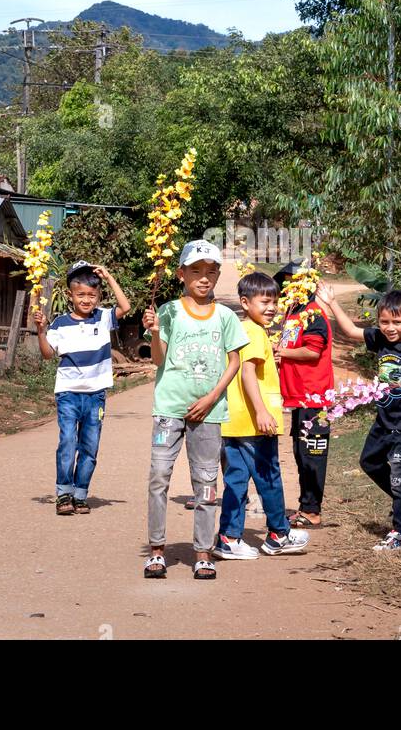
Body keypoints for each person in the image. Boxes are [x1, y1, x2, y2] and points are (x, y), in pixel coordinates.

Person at [141, 240, 246, 580]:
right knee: (159, 477)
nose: (204, 278)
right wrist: (156, 332)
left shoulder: (226, 316)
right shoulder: (169, 312)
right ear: (181, 273)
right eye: (196, 271)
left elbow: (235, 360)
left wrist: (212, 396)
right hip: (168, 410)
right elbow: (158, 359)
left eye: (211, 272)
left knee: (206, 482)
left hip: (209, 412)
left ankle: (203, 552)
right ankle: (157, 550)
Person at [317, 284, 401, 550]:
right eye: (384, 321)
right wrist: (331, 302)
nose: (390, 327)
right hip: (383, 420)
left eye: (397, 322)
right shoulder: (381, 339)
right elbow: (351, 331)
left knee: (399, 479)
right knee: (369, 462)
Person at [214, 271, 310, 560]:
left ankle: (229, 538)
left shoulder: (243, 329)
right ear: (245, 302)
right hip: (255, 423)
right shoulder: (254, 332)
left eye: (275, 302)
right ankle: (279, 534)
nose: (272, 308)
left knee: (236, 480)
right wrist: (262, 411)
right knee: (268, 476)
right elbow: (247, 373)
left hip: (235, 422)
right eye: (264, 302)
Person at [34, 262, 130, 515]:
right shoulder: (59, 324)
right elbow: (47, 355)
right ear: (70, 295)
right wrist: (41, 331)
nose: (86, 300)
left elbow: (125, 306)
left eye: (92, 295)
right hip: (68, 393)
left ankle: (80, 494)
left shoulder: (103, 317)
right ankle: (63, 493)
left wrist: (108, 276)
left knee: (89, 446)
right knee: (67, 441)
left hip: (96, 396)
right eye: (81, 295)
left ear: (98, 296)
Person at [272, 261, 334, 529]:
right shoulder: (292, 312)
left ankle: (312, 510)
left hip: (315, 397)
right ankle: (305, 506)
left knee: (312, 454)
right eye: (286, 282)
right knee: (300, 453)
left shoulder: (313, 313)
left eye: (295, 281)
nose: (289, 287)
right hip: (298, 397)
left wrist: (282, 353)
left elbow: (313, 351)